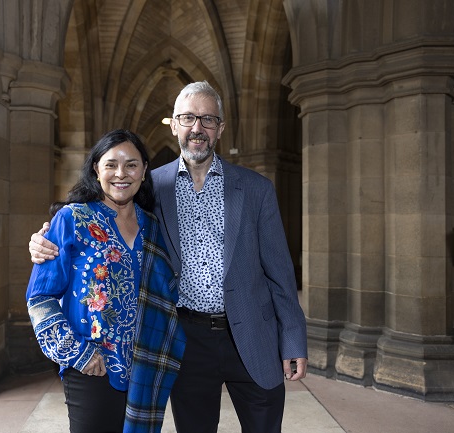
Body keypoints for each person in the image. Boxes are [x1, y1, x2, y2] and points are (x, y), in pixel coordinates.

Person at [30, 82, 308, 433]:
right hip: (186, 339)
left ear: (220, 128)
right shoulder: (152, 189)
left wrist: (294, 338)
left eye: (208, 119)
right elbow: (97, 224)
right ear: (174, 125)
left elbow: (280, 272)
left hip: (254, 333)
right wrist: (42, 240)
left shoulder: (255, 189)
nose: (197, 128)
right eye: (188, 118)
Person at [25, 129, 186, 433]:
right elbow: (40, 297)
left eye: (131, 164)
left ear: (144, 170)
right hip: (92, 366)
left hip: (146, 366)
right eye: (111, 164)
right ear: (96, 169)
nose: (121, 174)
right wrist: (77, 354)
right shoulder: (72, 219)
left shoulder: (154, 225)